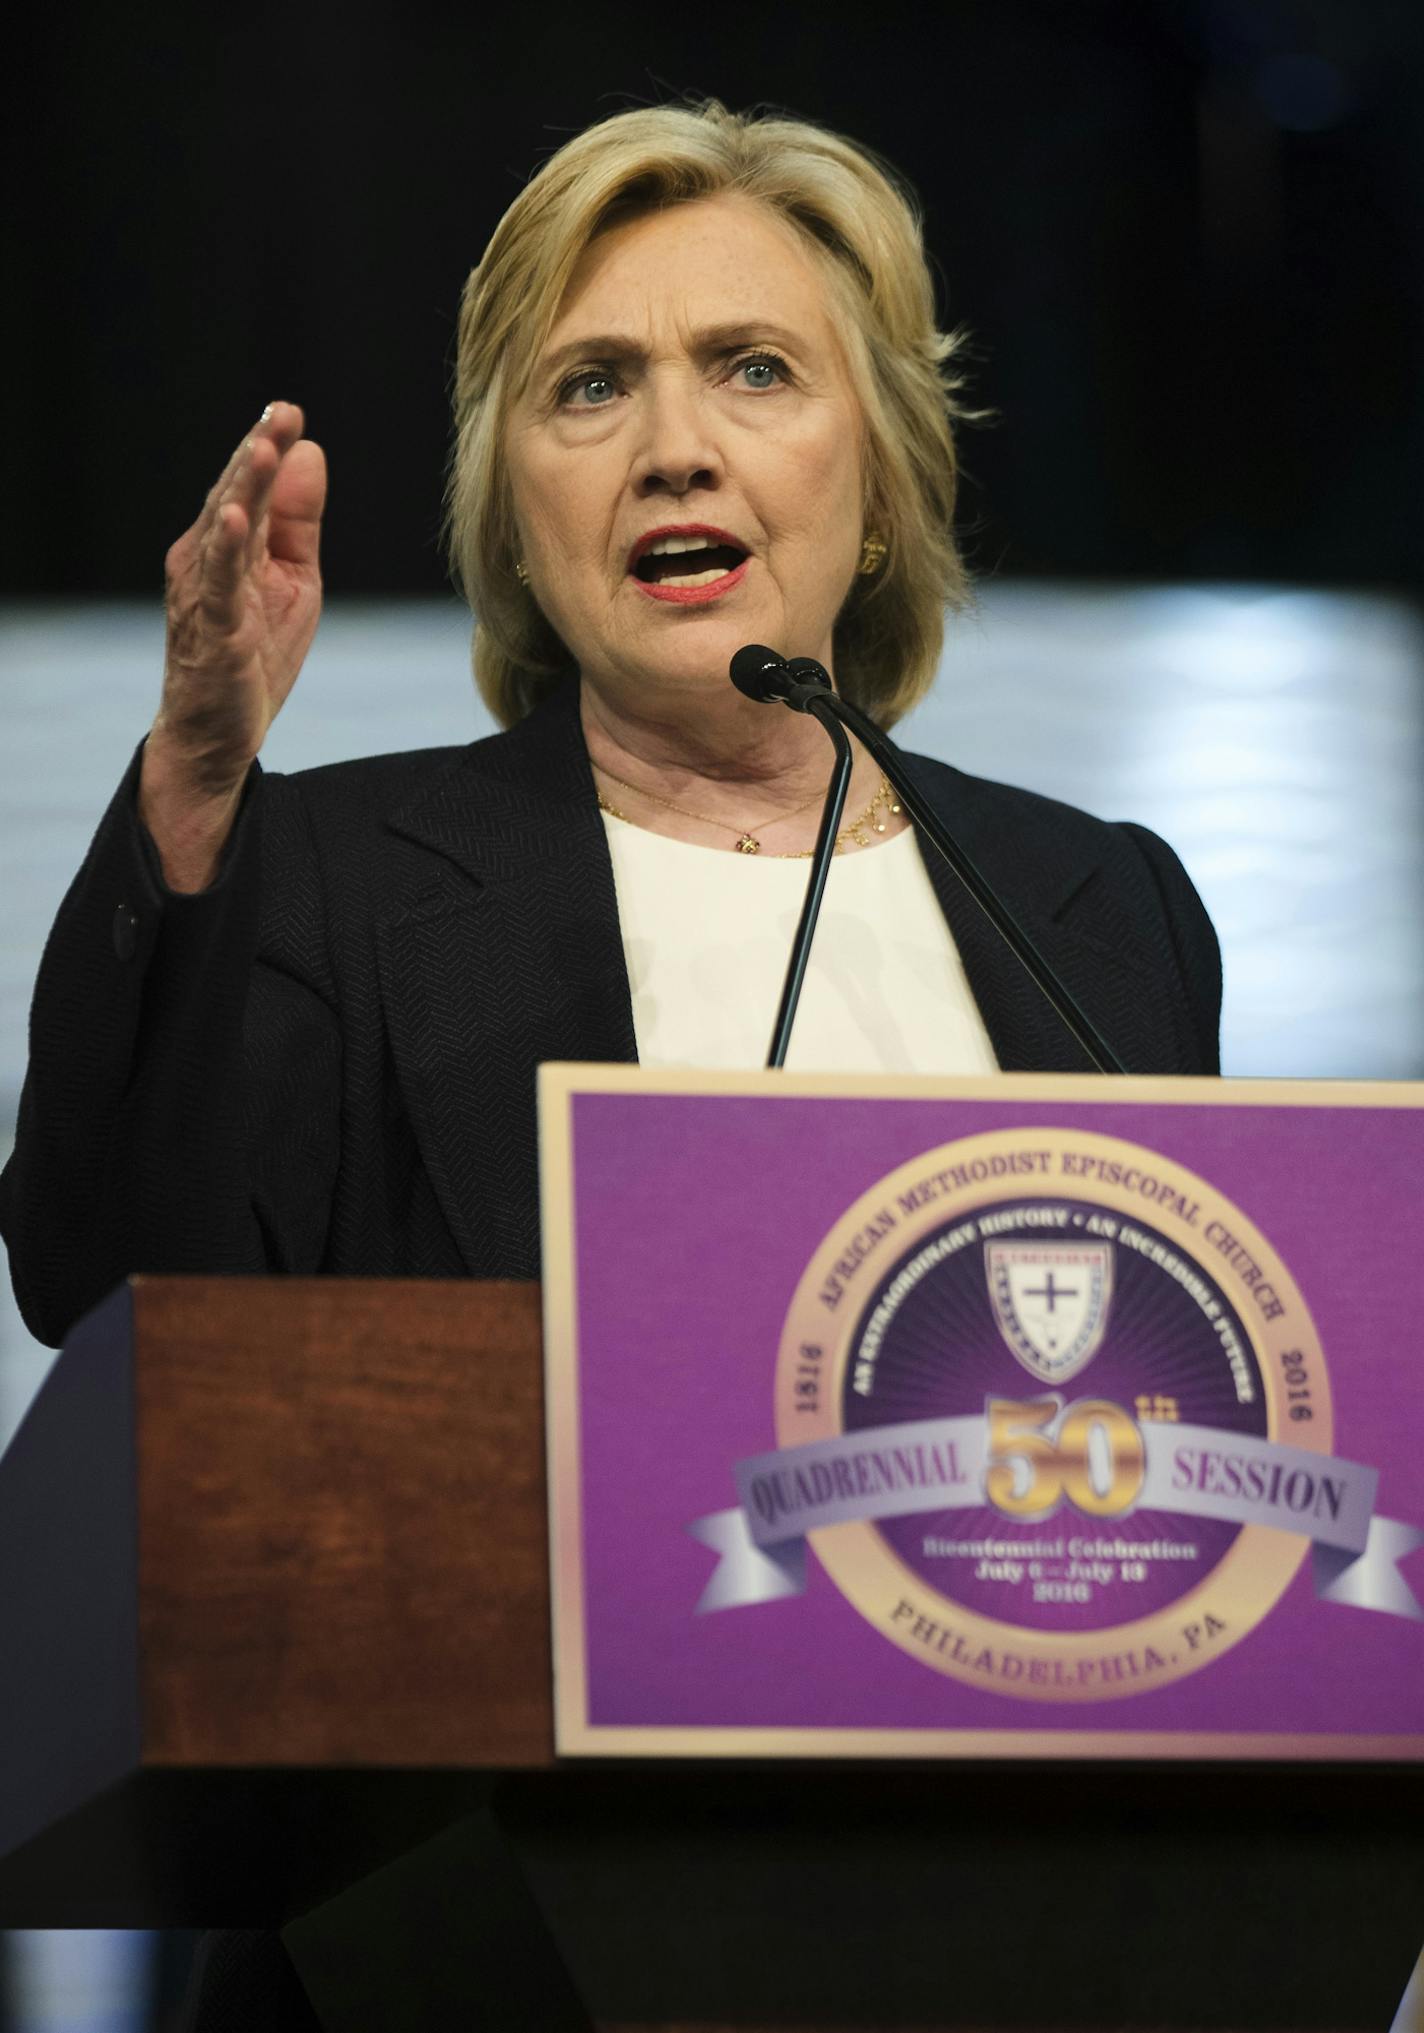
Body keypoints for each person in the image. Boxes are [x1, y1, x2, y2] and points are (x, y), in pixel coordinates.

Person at [0, 99, 1220, 2028]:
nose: (675, 444)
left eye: (755, 368)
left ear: (881, 476)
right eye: (590, 387)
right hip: (469, 1957)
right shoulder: (323, 872)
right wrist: (198, 786)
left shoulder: (1098, 908)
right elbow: (102, 1276)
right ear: (515, 508)